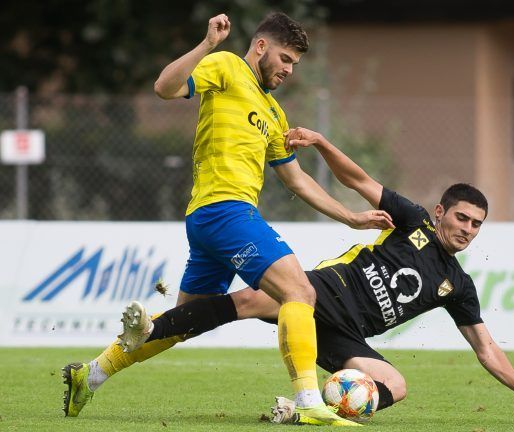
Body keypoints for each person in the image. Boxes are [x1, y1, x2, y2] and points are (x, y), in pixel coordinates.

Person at [61, 13, 391, 427]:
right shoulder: (227, 65)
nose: (289, 70)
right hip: (225, 211)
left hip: (212, 220)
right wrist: (206, 45)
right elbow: (164, 88)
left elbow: (297, 180)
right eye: (285, 59)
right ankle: (308, 401)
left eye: (294, 64)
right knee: (299, 291)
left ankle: (90, 375)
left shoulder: (273, 113)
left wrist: (351, 217)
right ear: (261, 47)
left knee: (183, 324)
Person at [114, 127, 514, 422]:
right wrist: (321, 143)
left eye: (476, 224)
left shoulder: (458, 286)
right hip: (322, 292)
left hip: (347, 335)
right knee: (248, 301)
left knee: (396, 385)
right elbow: (357, 180)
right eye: (462, 218)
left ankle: (302, 410)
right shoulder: (412, 220)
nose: (468, 229)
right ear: (440, 213)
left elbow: (486, 349)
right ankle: (152, 328)